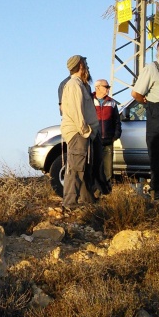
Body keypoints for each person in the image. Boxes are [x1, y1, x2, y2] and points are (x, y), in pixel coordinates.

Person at [131, 39, 159, 202]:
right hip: (157, 111)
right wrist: (149, 103)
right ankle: (158, 191)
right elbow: (136, 93)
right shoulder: (151, 68)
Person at [60, 55, 98, 210]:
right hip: (78, 133)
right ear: (80, 65)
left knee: (84, 169)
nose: (87, 67)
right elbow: (77, 112)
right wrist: (85, 131)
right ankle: (70, 204)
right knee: (75, 169)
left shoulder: (80, 85)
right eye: (86, 64)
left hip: (82, 133)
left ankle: (88, 202)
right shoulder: (74, 85)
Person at [93, 79, 121, 195]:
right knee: (95, 167)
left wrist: (116, 135)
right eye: (106, 87)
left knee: (108, 170)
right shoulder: (89, 101)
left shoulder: (112, 102)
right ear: (98, 87)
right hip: (95, 140)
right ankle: (94, 193)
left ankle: (106, 194)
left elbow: (117, 121)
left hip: (108, 140)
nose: (108, 89)